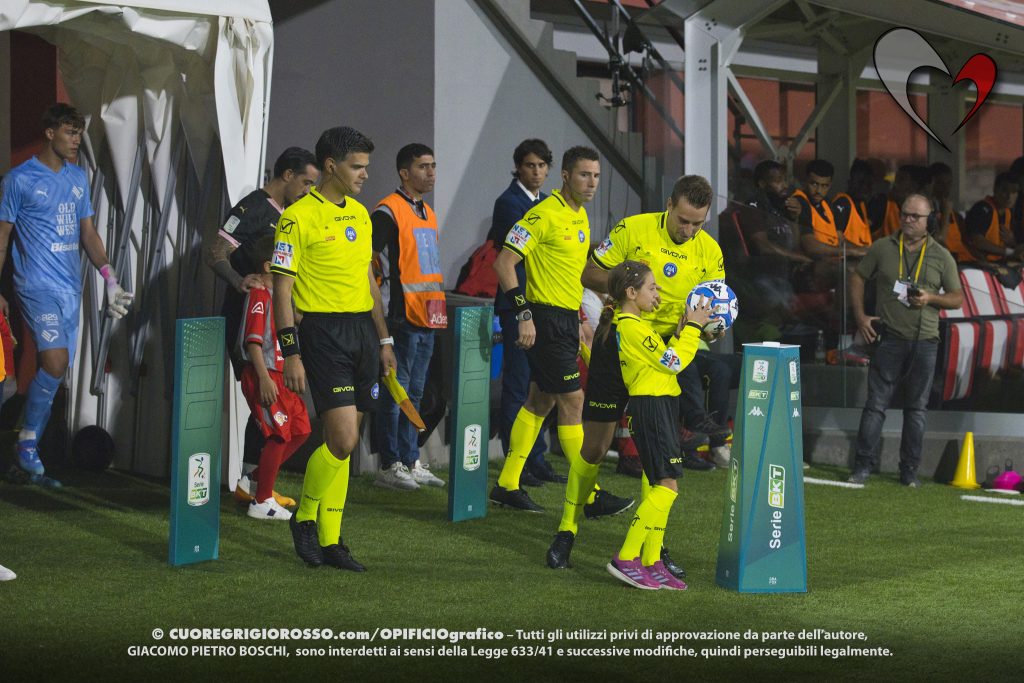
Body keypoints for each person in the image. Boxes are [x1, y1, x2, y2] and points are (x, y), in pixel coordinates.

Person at [546, 175, 724, 576]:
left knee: (657, 459)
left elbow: (717, 305)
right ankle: (567, 529)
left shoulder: (709, 251)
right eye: (683, 220)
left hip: (661, 358)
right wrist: (626, 284)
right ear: (668, 204)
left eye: (698, 223)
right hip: (618, 345)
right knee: (594, 448)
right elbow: (589, 272)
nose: (689, 230)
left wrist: (714, 325)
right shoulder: (634, 228)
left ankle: (652, 550)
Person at [271, 126, 397, 571]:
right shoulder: (298, 217)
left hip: (362, 331)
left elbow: (368, 281)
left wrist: (383, 339)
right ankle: (305, 518)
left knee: (346, 442)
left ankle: (331, 539)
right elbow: (282, 289)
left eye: (366, 166)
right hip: (322, 335)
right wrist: (291, 352)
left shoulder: (361, 216)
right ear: (331, 166)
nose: (364, 174)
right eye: (356, 166)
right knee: (341, 438)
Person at [0, 103, 134, 488]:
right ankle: (27, 446)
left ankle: (22, 453)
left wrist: (109, 278)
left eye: (78, 133)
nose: (76, 140)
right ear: (49, 133)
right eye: (69, 132)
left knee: (56, 373)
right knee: (55, 363)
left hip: (69, 288)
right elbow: (3, 237)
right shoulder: (19, 180)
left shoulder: (78, 178)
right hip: (35, 285)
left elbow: (87, 233)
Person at [490, 146, 601, 512]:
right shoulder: (541, 216)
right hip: (545, 319)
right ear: (566, 176)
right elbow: (504, 263)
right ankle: (592, 492)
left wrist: (583, 319)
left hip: (567, 319)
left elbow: (575, 274)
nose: (592, 182)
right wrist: (523, 313)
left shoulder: (580, 216)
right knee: (573, 400)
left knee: (540, 401)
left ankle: (507, 484)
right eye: (585, 175)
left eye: (596, 176)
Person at [204, 146, 317, 505]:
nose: (309, 191)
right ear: (287, 175)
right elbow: (216, 251)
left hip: (277, 325)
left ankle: (254, 482)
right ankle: (254, 486)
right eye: (306, 182)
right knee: (264, 402)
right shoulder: (252, 208)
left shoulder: (291, 213)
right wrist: (241, 281)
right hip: (249, 323)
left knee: (274, 410)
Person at [601, 260, 711, 590]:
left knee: (658, 484)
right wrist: (693, 328)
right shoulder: (633, 328)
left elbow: (662, 360)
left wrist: (678, 334)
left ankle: (651, 561)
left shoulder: (637, 325)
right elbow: (673, 363)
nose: (657, 293)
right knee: (667, 487)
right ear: (631, 293)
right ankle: (627, 556)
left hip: (658, 404)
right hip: (652, 408)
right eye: (651, 287)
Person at [848, 194, 962, 487]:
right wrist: (861, 317)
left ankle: (909, 471)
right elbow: (858, 277)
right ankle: (862, 466)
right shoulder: (883, 247)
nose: (908, 220)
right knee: (876, 404)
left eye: (915, 216)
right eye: (905, 214)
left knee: (916, 409)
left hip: (925, 340)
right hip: (889, 337)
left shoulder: (940, 254)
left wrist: (931, 298)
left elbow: (957, 298)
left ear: (930, 222)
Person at [371, 143, 447, 490]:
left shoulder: (427, 212)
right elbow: (369, 264)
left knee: (414, 393)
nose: (430, 173)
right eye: (422, 167)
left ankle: (410, 458)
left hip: (428, 316)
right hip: (400, 318)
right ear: (404, 173)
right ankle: (389, 463)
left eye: (433, 166)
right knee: (393, 394)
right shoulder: (387, 212)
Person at [487, 139, 562, 487]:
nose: (536, 171)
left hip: (543, 303)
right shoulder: (508, 203)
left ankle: (537, 457)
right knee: (517, 385)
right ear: (518, 166)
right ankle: (516, 461)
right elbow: (520, 255)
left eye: (542, 166)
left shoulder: (546, 202)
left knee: (540, 385)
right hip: (518, 304)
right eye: (530, 165)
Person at [237, 235, 311, 520]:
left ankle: (254, 481)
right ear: (269, 266)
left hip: (283, 376)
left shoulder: (283, 298)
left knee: (301, 431)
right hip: (264, 375)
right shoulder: (259, 295)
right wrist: (263, 379)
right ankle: (261, 501)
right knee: (279, 435)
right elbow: (253, 341)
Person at [962, 172, 1021, 263]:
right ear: (995, 189)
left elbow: (1012, 242)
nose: (1009, 196)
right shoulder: (982, 209)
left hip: (999, 263)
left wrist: (1012, 241)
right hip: (974, 263)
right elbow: (977, 241)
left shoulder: (1009, 212)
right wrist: (1009, 252)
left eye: (1014, 192)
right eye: (1005, 190)